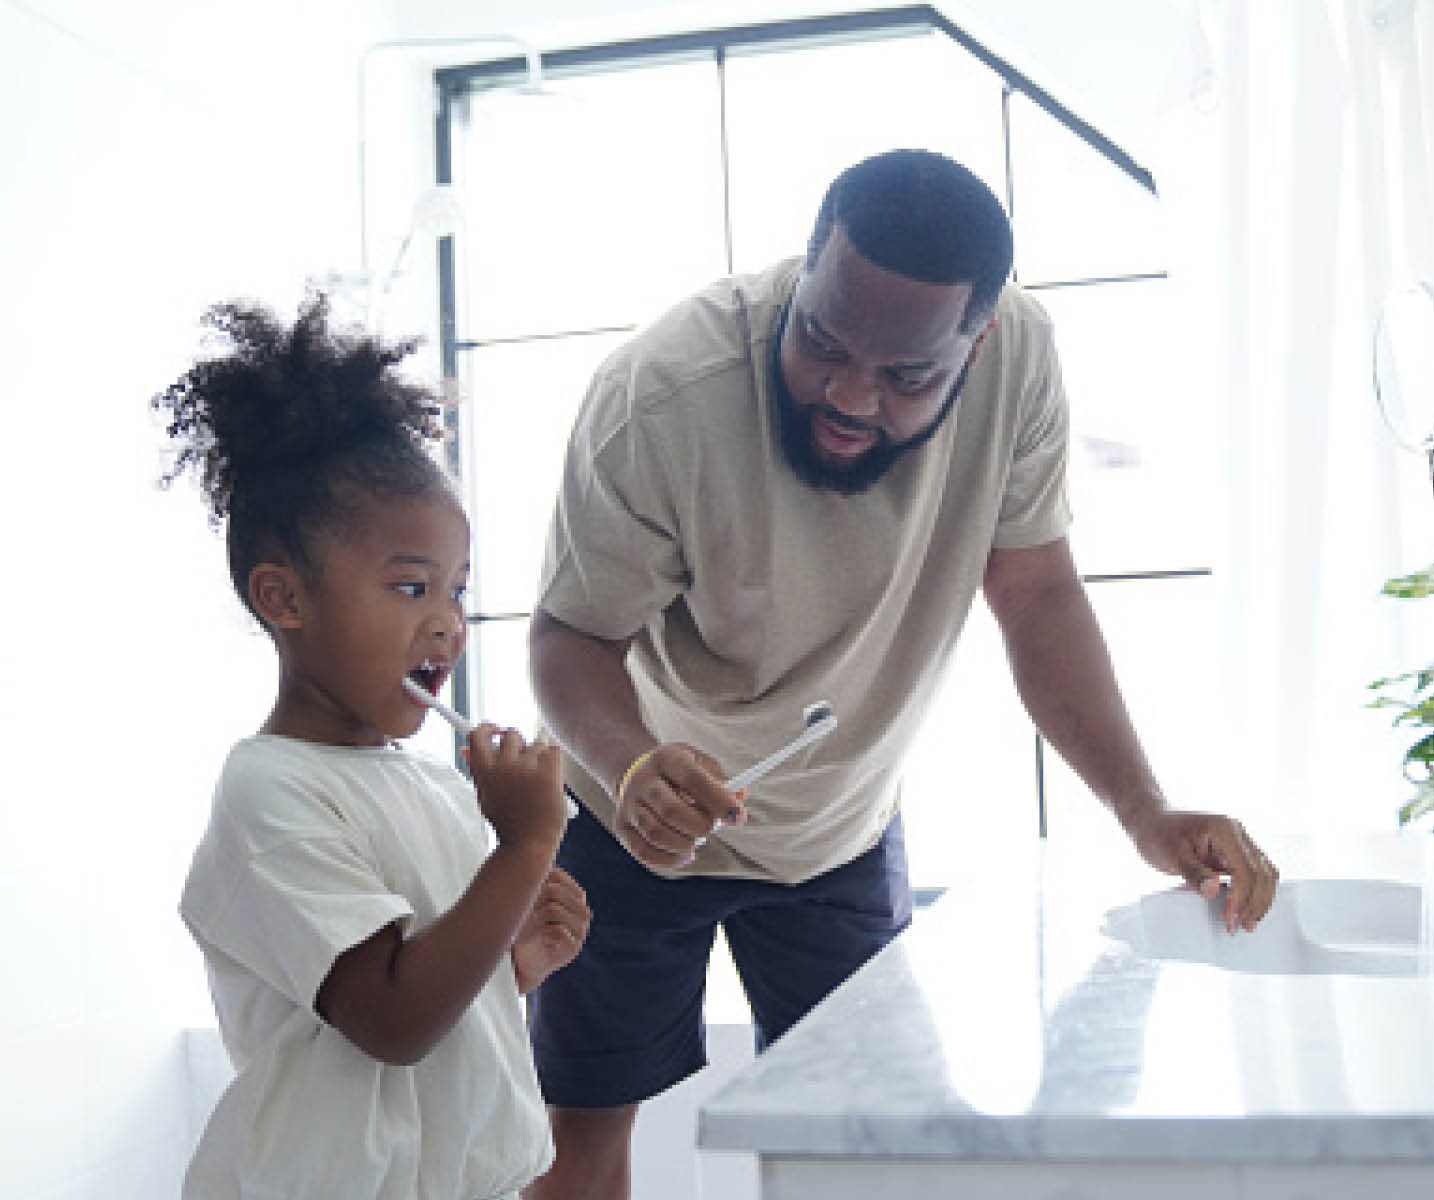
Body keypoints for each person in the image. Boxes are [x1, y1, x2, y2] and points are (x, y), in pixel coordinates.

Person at [522, 148, 1280, 1199]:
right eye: (820, 342)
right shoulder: (659, 394)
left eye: (906, 376)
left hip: (840, 826)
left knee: (874, 1149)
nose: (847, 393)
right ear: (803, 275)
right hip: (630, 815)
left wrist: (1143, 811)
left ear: (982, 339)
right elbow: (566, 639)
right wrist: (633, 764)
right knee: (581, 1137)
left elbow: (1038, 596)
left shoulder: (1023, 367)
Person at [155, 295, 591, 1200]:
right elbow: (390, 1019)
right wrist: (522, 850)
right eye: (407, 586)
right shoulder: (268, 790)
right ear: (283, 598)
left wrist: (514, 967)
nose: (446, 622)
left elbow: (437, 1008)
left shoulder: (430, 786)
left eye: (456, 590)